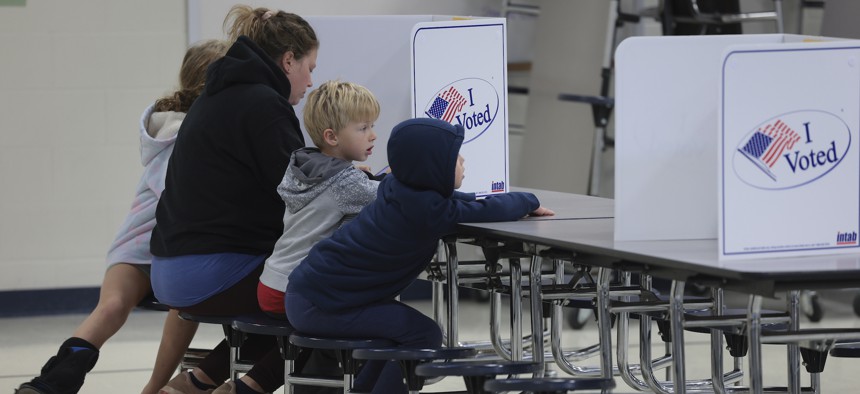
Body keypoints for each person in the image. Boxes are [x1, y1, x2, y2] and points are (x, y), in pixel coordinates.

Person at [15, 40, 230, 394]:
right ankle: (65, 384)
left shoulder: (169, 127)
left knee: (117, 307)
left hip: (136, 245)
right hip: (158, 248)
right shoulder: (185, 133)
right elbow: (184, 199)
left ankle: (51, 384)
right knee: (145, 305)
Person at [285, 117, 555, 394]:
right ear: (431, 169)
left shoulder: (398, 187)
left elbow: (461, 201)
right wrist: (528, 200)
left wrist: (496, 200)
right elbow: (484, 210)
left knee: (396, 339)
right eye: (454, 157)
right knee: (423, 334)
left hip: (312, 294)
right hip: (320, 305)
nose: (462, 160)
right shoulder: (427, 212)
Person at [150, 5, 318, 394]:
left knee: (282, 300)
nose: (312, 79)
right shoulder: (265, 105)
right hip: (211, 271)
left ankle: (194, 383)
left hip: (169, 268)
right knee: (325, 298)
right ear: (288, 60)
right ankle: (242, 389)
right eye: (310, 66)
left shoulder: (218, 94)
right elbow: (298, 195)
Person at [258, 80, 382, 317]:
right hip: (295, 290)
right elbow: (393, 197)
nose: (373, 135)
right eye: (363, 128)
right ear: (332, 137)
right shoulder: (345, 183)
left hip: (271, 282)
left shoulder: (304, 165)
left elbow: (336, 188)